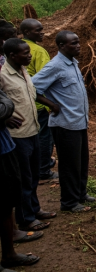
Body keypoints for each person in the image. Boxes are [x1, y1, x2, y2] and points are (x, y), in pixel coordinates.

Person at [32, 31, 96, 213]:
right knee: (69, 165)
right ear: (61, 46)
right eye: (73, 43)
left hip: (79, 122)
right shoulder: (55, 66)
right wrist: (51, 105)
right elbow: (32, 87)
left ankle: (80, 194)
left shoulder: (72, 63)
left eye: (78, 42)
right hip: (64, 124)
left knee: (81, 161)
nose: (78, 46)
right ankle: (69, 203)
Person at [1, 39, 59, 232]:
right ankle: (25, 218)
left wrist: (50, 104)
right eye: (25, 53)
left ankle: (34, 209)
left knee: (33, 175)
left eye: (29, 52)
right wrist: (4, 118)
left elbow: (32, 95)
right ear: (12, 56)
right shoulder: (3, 76)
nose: (29, 55)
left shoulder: (23, 71)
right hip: (17, 135)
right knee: (23, 178)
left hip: (33, 129)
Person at [0, 86, 40, 268]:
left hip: (5, 145)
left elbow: (5, 104)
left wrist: (5, 110)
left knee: (8, 200)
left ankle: (9, 251)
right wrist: (5, 109)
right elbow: (6, 105)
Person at [19, 19, 56, 182]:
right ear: (27, 32)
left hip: (23, 102)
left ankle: (33, 166)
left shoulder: (16, 46)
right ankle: (43, 169)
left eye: (42, 29)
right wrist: (51, 103)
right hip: (39, 103)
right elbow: (48, 78)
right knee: (44, 137)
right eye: (37, 30)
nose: (42, 33)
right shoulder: (38, 51)